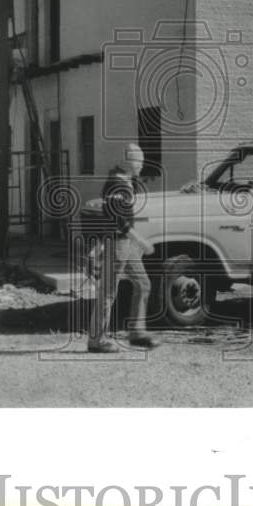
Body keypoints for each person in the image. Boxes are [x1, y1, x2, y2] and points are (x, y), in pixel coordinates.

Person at [87, 143, 160, 353]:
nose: (141, 167)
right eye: (139, 162)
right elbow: (117, 220)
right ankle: (97, 340)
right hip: (119, 244)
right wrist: (142, 242)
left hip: (124, 245)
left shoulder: (124, 182)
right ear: (128, 162)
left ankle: (137, 332)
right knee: (108, 292)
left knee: (143, 283)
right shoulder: (116, 185)